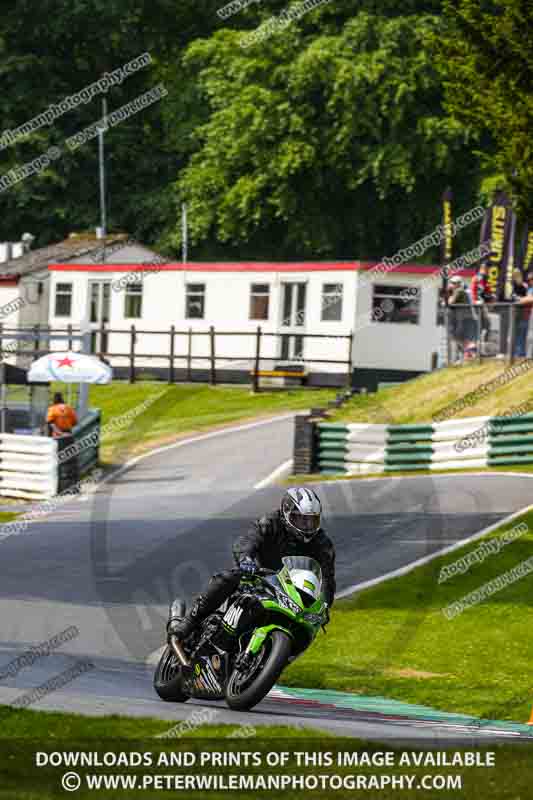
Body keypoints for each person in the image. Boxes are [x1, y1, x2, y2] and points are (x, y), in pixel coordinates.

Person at [167, 487, 336, 641]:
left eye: (311, 521)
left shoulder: (322, 544)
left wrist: (325, 604)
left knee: (307, 627)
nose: (307, 527)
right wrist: (246, 559)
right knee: (228, 577)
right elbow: (248, 540)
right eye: (300, 520)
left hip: (292, 590)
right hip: (259, 577)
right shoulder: (270, 522)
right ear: (286, 513)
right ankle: (190, 621)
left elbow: (327, 578)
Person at [448, 276, 475, 363]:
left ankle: (469, 355)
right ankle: (466, 356)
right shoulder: (460, 291)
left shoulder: (459, 291)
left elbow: (450, 302)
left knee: (461, 338)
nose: (451, 285)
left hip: (464, 319)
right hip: (461, 319)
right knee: (459, 338)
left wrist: (450, 295)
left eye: (453, 283)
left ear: (458, 284)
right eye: (451, 283)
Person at [470, 264, 493, 354]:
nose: (485, 270)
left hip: (483, 306)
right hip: (477, 306)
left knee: (487, 325)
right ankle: (473, 348)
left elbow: (488, 292)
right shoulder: (476, 278)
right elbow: (474, 292)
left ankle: (482, 347)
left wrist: (491, 297)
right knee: (478, 326)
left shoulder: (485, 279)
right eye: (483, 268)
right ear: (480, 269)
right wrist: (476, 301)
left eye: (486, 268)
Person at [511, 270, 529, 358]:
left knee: (521, 333)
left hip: (523, 313)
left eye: (518, 275)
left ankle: (520, 353)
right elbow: (511, 296)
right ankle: (515, 353)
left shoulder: (525, 286)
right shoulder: (511, 285)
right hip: (515, 312)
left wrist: (519, 299)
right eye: (515, 275)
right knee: (515, 333)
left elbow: (527, 297)